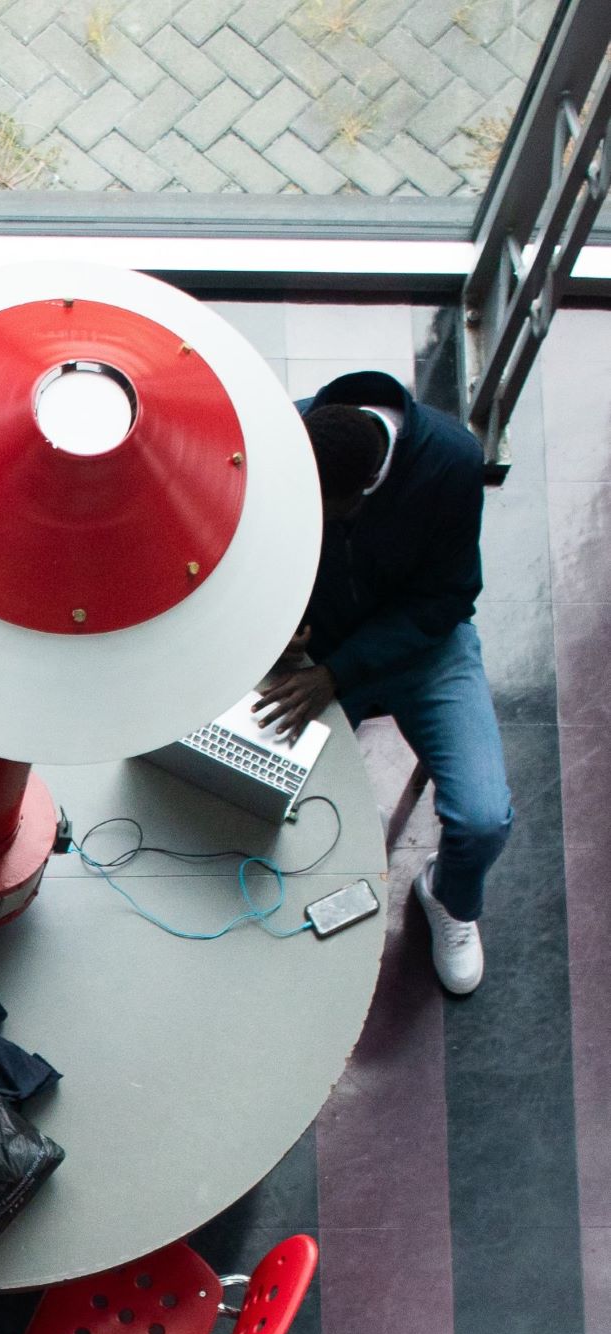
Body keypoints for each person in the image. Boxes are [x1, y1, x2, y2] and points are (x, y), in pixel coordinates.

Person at [257, 375, 506, 997]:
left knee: (482, 819)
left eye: (326, 509)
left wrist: (337, 674)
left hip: (424, 649)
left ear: (367, 492)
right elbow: (254, 546)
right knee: (251, 771)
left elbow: (449, 595)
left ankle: (447, 895)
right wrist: (277, 622)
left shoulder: (452, 461)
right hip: (321, 646)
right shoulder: (283, 439)